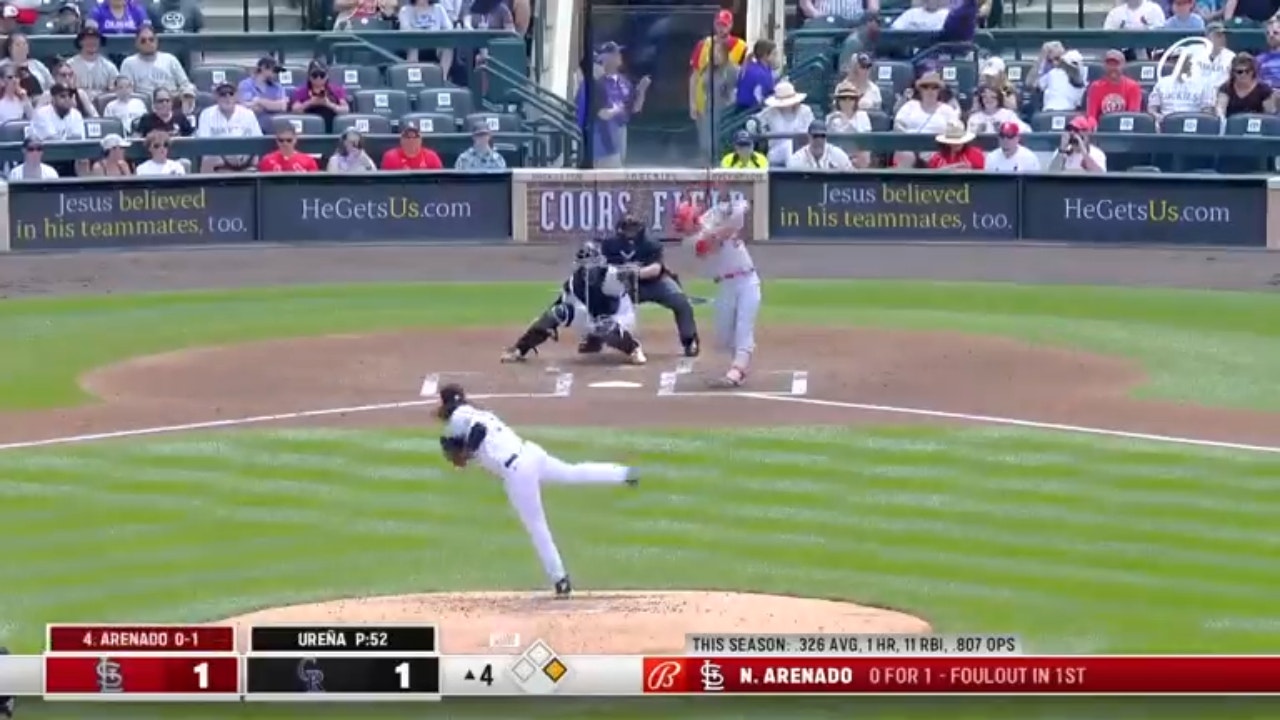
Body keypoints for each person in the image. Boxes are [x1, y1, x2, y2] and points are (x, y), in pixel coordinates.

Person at [435, 382, 638, 598]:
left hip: (518, 471)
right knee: (572, 473)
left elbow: (477, 432)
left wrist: (465, 453)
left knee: (537, 526)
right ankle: (625, 474)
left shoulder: (458, 417)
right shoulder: (476, 412)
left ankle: (560, 580)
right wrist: (464, 453)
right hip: (531, 454)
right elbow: (467, 438)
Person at [499, 240, 649, 365]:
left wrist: (627, 276)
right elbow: (561, 303)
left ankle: (633, 348)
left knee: (604, 325)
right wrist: (544, 322)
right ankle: (520, 349)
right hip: (592, 317)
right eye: (584, 265)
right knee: (557, 313)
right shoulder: (574, 283)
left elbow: (613, 300)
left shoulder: (611, 276)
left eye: (591, 265)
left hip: (620, 317)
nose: (587, 270)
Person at [672, 193, 760, 388]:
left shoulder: (711, 217)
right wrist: (721, 226)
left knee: (743, 327)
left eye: (682, 222)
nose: (680, 228)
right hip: (725, 285)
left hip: (747, 281)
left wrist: (733, 207)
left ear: (692, 218)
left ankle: (738, 368)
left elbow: (740, 210)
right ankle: (741, 356)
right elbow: (720, 237)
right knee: (724, 336)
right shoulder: (691, 242)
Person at [598, 212, 701, 357]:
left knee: (681, 302)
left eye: (633, 229)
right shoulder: (609, 245)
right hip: (624, 286)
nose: (630, 233)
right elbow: (603, 269)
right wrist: (617, 276)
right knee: (598, 299)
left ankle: (689, 340)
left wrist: (634, 273)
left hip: (653, 283)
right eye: (627, 229)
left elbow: (655, 269)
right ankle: (595, 337)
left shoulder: (651, 244)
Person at [689, 10, 747, 140]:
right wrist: (692, 103)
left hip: (728, 103)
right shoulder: (703, 45)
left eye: (724, 25)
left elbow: (744, 75)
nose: (721, 28)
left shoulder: (741, 46)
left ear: (731, 25)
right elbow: (694, 76)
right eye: (719, 24)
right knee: (705, 138)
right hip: (704, 102)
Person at [892, 70, 959, 168]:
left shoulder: (947, 110)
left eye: (934, 87)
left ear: (939, 90)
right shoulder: (910, 106)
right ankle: (901, 183)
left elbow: (954, 130)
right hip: (910, 148)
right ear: (920, 90)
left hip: (938, 150)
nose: (930, 91)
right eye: (925, 87)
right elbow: (898, 127)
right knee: (906, 154)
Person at [196, 82, 262, 173]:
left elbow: (258, 142)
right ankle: (206, 187)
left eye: (231, 94)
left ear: (236, 96)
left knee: (258, 158)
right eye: (223, 94)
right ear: (216, 96)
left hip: (244, 157)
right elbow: (203, 144)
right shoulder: (206, 114)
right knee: (207, 159)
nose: (227, 98)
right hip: (218, 156)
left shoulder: (248, 114)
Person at [753, 80, 815, 166]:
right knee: (789, 144)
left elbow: (812, 130)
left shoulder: (805, 111)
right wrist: (759, 130)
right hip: (776, 152)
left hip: (804, 152)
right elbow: (753, 122)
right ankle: (792, 172)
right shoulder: (769, 112)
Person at [119, 28, 191, 98]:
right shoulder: (128, 63)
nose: (148, 43)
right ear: (136, 43)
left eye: (151, 39)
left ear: (157, 41)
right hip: (141, 105)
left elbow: (185, 85)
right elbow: (126, 92)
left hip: (171, 102)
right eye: (143, 41)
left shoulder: (170, 59)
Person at [1148, 52, 1215, 119]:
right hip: (1167, 123)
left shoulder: (1204, 84)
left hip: (1193, 124)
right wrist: (1158, 117)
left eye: (1187, 62)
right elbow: (1152, 109)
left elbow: (1207, 112)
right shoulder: (1162, 83)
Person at [289, 60, 349, 133]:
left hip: (331, 127)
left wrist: (328, 104)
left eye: (322, 75)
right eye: (315, 75)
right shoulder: (301, 91)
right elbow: (295, 111)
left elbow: (345, 110)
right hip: (309, 130)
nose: (318, 78)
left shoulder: (336, 90)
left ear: (327, 76)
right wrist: (310, 103)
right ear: (309, 76)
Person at [1086, 49, 1143, 120]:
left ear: (1123, 65)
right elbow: (1091, 116)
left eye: (1116, 64)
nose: (1112, 68)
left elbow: (1132, 116)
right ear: (1104, 66)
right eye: (1109, 64)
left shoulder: (1133, 87)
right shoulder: (1095, 87)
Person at [238, 57, 289, 134]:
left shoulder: (278, 86)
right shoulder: (245, 84)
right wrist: (272, 105)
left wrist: (259, 101)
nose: (276, 74)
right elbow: (245, 107)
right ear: (263, 68)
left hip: (273, 127)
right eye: (274, 71)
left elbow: (282, 106)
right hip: (251, 125)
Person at [66, 26, 119, 99]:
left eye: (95, 39)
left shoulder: (109, 67)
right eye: (87, 39)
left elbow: (116, 91)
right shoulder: (70, 65)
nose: (91, 42)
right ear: (80, 42)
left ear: (100, 42)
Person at [1216, 52, 1274, 116]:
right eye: (1239, 72)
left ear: (1253, 71)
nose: (1244, 74)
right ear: (1233, 73)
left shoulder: (1264, 90)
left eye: (1247, 71)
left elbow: (1270, 115)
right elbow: (1220, 109)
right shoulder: (1226, 88)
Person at [399, 0, 454, 66]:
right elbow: (406, 29)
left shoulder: (439, 8)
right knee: (412, 47)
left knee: (448, 47)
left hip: (436, 44)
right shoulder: (405, 10)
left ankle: (443, 75)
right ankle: (414, 74)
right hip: (416, 43)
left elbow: (449, 27)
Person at [0, 34, 53, 101]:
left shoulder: (37, 64)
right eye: (18, 45)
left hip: (39, 102)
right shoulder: (2, 65)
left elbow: (51, 85)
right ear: (10, 48)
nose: (22, 48)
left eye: (24, 44)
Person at [1035, 45, 1086, 112]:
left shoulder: (1054, 73)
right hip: (1065, 113)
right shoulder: (1082, 78)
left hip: (1052, 113)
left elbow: (1036, 85)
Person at [787, 119, 854, 169]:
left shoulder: (837, 155)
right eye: (815, 136)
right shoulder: (797, 159)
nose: (819, 140)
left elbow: (850, 175)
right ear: (809, 136)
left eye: (822, 136)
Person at [735, 38, 778, 112]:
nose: (776, 57)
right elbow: (763, 97)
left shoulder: (762, 68)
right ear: (765, 56)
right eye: (774, 54)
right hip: (748, 112)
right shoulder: (758, 73)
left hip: (747, 108)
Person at [1192, 23, 1235, 88]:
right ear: (1207, 37)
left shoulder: (1231, 57)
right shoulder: (1194, 52)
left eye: (1224, 36)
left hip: (1220, 94)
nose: (1223, 39)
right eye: (1218, 36)